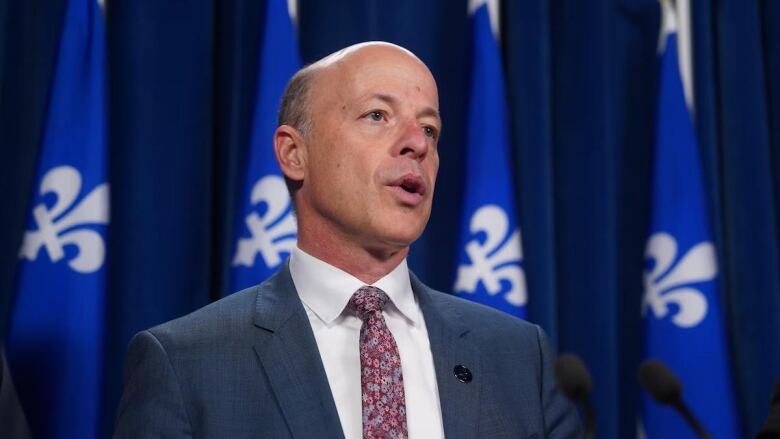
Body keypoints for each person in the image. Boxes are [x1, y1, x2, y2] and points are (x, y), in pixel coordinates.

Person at [114, 42, 581, 439]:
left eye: (430, 128)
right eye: (377, 115)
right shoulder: (185, 363)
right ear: (295, 154)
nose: (416, 143)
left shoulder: (521, 357)